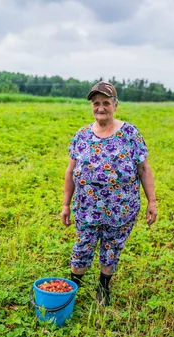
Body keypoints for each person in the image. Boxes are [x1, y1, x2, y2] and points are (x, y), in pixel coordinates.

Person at [61, 81, 157, 306]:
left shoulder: (130, 133)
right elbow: (70, 170)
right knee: (82, 245)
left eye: (106, 103)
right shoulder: (82, 135)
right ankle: (72, 288)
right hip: (86, 208)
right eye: (96, 103)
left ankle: (103, 287)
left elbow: (144, 169)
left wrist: (152, 201)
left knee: (111, 248)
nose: (100, 107)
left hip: (120, 208)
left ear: (115, 105)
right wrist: (66, 204)